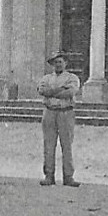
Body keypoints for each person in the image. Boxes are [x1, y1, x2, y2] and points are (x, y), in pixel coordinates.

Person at [36, 51, 82, 187]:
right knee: (48, 145)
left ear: (66, 63)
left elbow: (70, 92)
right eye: (55, 62)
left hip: (65, 113)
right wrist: (60, 89)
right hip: (49, 112)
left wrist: (53, 91)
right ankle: (49, 175)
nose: (58, 65)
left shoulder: (72, 78)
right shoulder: (46, 78)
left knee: (66, 145)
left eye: (60, 62)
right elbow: (42, 90)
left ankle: (68, 177)